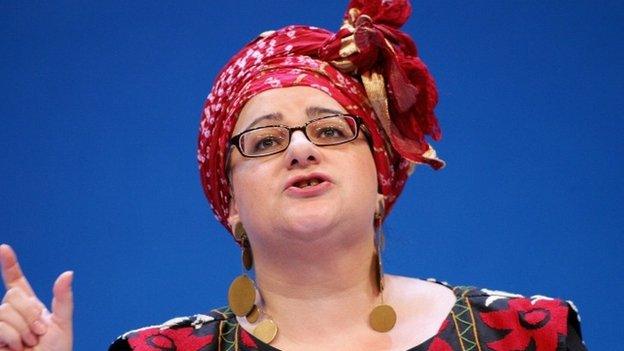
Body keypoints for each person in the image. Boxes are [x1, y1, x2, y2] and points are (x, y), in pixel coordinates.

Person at [0, 1, 586, 350]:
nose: (301, 149)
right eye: (265, 141)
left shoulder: (524, 334)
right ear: (230, 205)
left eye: (331, 130)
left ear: (382, 176)